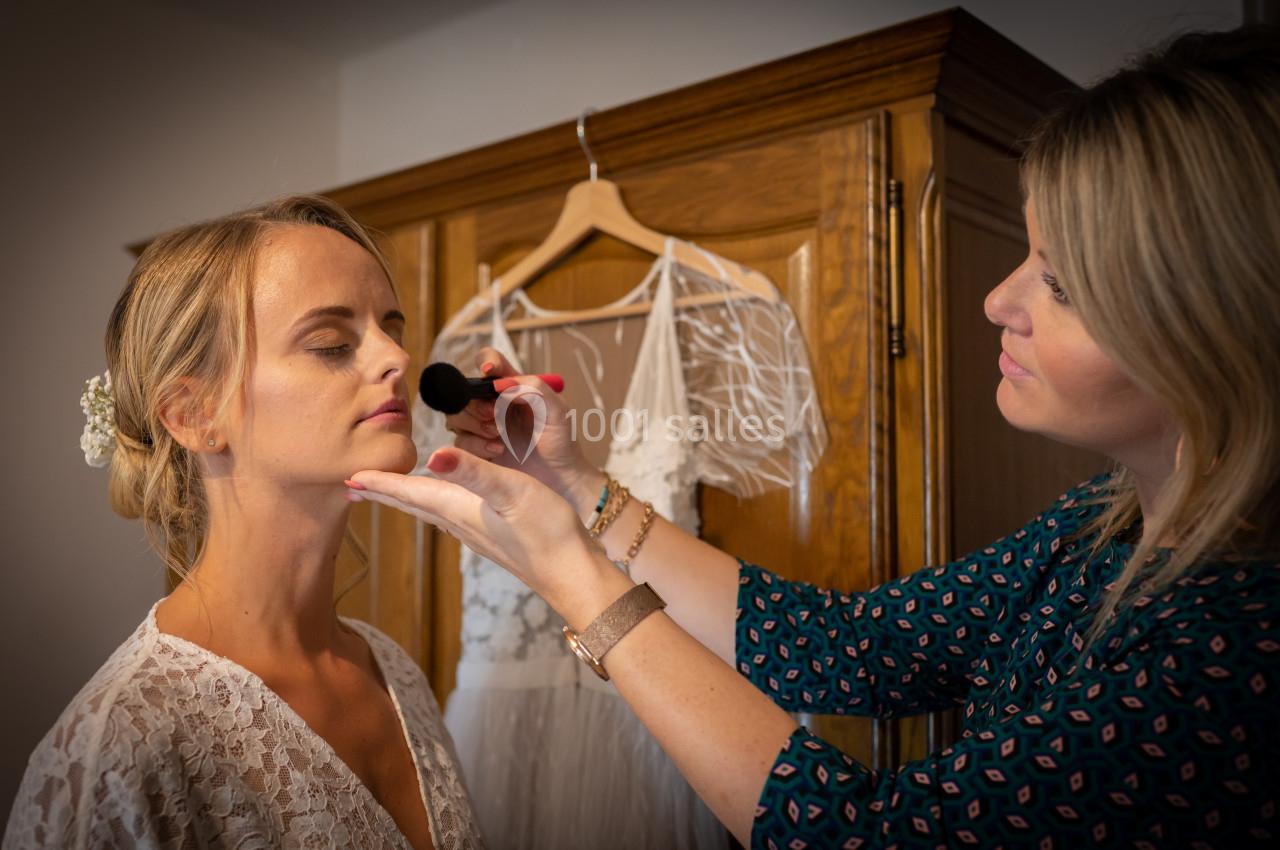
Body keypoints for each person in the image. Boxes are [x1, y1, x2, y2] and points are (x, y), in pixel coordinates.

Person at [343, 25, 1280, 849]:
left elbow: (868, 836)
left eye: (1062, 284)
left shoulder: (1237, 646)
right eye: (1028, 256)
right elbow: (851, 648)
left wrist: (577, 584)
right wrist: (578, 485)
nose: (1000, 300)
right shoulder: (1101, 528)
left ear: (1214, 319)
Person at [4, 197, 484, 849]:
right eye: (332, 344)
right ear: (195, 415)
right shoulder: (122, 744)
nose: (397, 360)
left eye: (391, 329)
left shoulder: (393, 671)